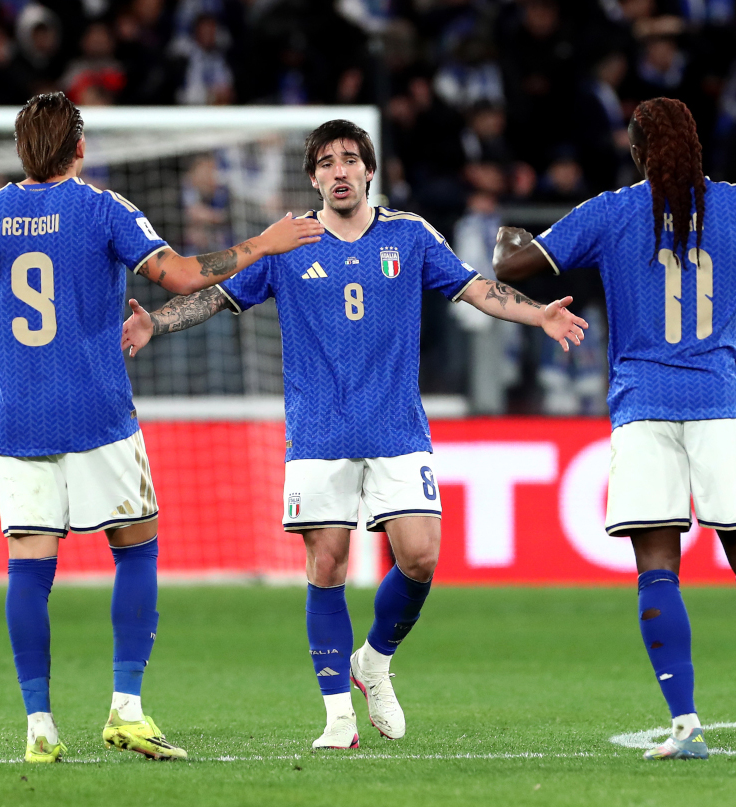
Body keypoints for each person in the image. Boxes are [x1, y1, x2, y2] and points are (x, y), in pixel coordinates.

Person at [121, 119, 588, 750]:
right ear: (313, 178)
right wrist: (155, 322)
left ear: (369, 171)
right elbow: (216, 298)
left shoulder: (410, 234)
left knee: (420, 555)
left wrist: (538, 314)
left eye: (349, 159)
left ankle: (374, 660)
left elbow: (476, 287)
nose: (338, 170)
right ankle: (338, 716)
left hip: (397, 427)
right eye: (326, 162)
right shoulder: (288, 243)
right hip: (319, 431)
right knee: (327, 563)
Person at [0, 92, 323, 763]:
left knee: (29, 567)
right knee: (136, 547)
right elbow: (183, 276)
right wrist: (266, 241)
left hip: (18, 416)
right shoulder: (102, 208)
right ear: (79, 148)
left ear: (21, 149)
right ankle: (127, 710)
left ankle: (39, 727)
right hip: (97, 411)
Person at [493, 96, 736, 761]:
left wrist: (507, 239)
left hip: (642, 408)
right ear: (697, 148)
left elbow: (512, 270)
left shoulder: (610, 210)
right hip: (719, 403)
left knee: (657, 569)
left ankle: (686, 728)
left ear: (635, 153)